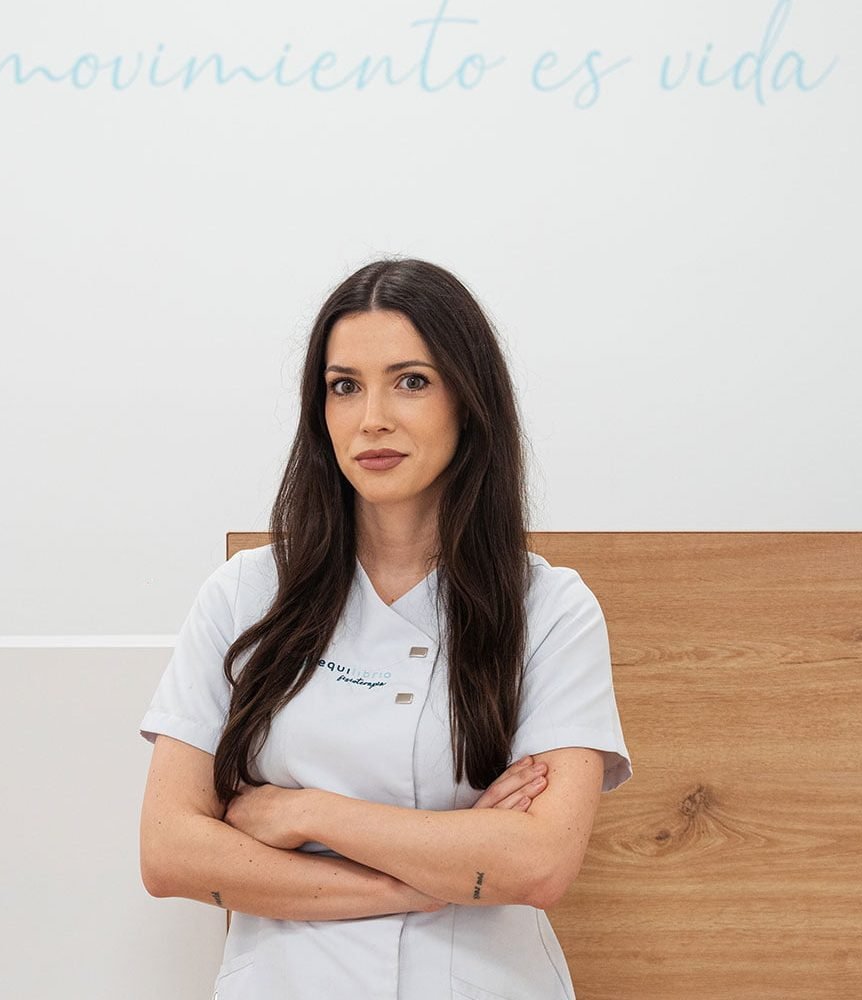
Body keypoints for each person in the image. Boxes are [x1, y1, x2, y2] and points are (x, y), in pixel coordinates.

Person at [138, 257, 631, 999]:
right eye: (345, 386)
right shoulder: (244, 596)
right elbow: (170, 850)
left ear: (469, 400)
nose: (373, 417)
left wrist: (300, 811)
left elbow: (538, 864)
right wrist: (432, 876)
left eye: (411, 381)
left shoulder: (549, 609)